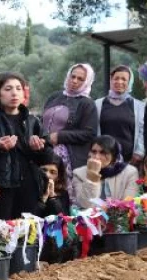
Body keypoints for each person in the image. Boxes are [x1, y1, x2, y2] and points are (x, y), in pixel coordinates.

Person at [0, 72, 51, 220]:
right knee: (0, 233)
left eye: (18, 88)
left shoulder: (33, 121)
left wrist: (39, 148)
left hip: (29, 186)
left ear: (24, 94)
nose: (14, 93)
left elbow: (48, 157)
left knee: (26, 233)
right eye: (8, 89)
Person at [42, 63, 99, 194]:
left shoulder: (87, 103)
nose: (74, 81)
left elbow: (90, 133)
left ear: (87, 81)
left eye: (80, 79)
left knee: (61, 194)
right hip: (44, 152)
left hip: (68, 159)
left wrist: (60, 136)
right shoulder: (54, 97)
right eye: (72, 76)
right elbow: (42, 120)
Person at [95, 65, 146, 166]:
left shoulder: (139, 106)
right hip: (103, 160)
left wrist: (139, 152)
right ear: (111, 80)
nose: (119, 82)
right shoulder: (98, 104)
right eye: (116, 78)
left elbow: (142, 130)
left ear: (129, 82)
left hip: (130, 161)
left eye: (124, 79)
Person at [73, 135, 139, 209]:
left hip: (119, 219)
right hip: (90, 218)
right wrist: (92, 177)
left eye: (103, 152)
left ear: (113, 155)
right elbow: (84, 204)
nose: (97, 157)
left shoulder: (129, 172)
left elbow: (128, 205)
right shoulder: (78, 173)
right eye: (94, 152)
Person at [36, 153, 71, 217]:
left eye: (52, 172)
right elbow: (31, 218)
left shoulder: (63, 194)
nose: (47, 175)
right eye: (44, 170)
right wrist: (43, 200)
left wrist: (52, 197)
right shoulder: (31, 190)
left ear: (58, 177)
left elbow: (64, 220)